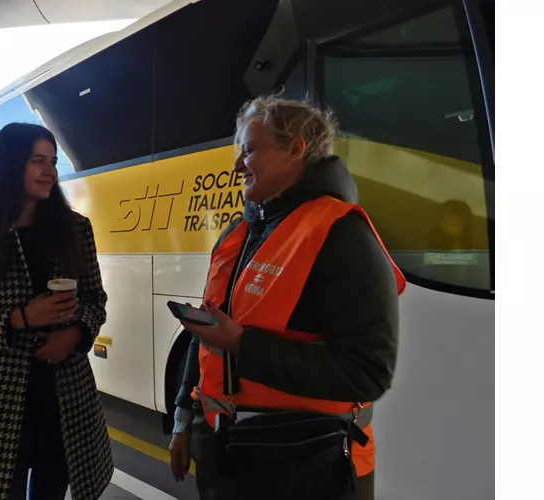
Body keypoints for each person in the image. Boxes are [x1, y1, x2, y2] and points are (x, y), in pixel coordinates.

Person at [168, 96, 406, 500]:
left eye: (249, 150)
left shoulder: (342, 233)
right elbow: (205, 333)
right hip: (234, 459)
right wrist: (182, 419)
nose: (238, 165)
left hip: (314, 465)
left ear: (295, 149)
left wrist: (242, 344)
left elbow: (368, 372)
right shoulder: (238, 234)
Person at [0, 123, 112, 500]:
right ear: (10, 165)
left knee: (52, 490)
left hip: (65, 399)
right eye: (38, 161)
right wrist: (22, 318)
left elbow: (96, 301)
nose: (50, 171)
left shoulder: (75, 229)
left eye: (52, 161)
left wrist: (74, 334)